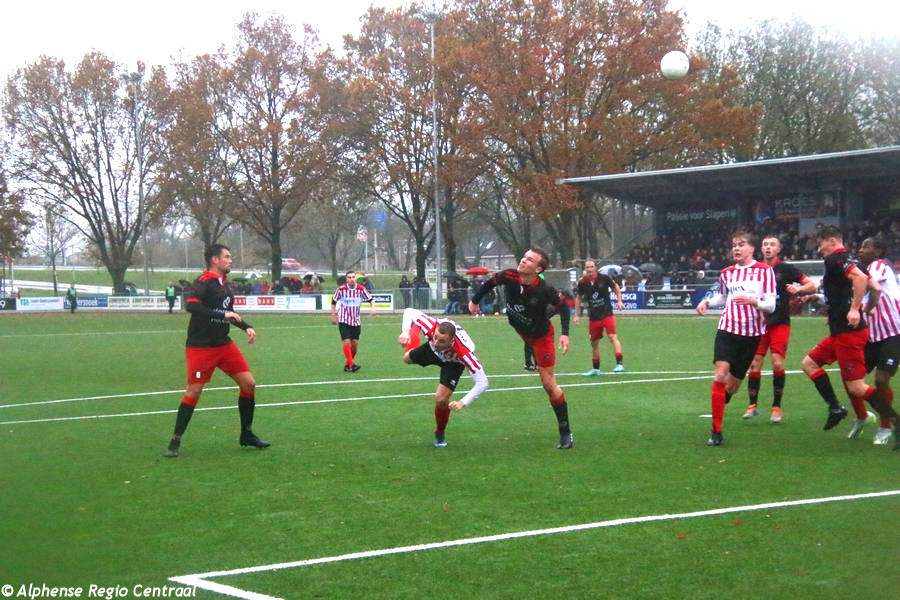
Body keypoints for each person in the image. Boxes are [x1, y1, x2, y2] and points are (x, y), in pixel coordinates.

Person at [163, 244, 269, 457]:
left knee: (249, 384)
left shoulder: (224, 284)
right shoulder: (203, 282)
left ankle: (246, 434)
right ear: (214, 259)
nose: (231, 260)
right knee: (194, 391)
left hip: (223, 344)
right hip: (201, 347)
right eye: (227, 257)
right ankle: (175, 440)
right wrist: (223, 315)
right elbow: (191, 306)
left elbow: (228, 312)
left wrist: (245, 326)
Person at [799, 225, 898, 448]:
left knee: (863, 384)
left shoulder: (846, 261)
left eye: (821, 244)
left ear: (832, 241)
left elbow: (863, 282)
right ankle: (840, 409)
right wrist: (860, 308)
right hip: (853, 331)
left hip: (871, 332)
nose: (819, 249)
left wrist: (855, 310)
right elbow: (872, 288)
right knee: (812, 365)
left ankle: (892, 423)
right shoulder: (854, 262)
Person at [469, 247, 574, 449]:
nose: (524, 260)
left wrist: (565, 334)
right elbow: (491, 282)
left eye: (530, 260)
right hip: (522, 330)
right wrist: (474, 301)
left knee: (549, 384)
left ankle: (565, 432)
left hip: (541, 336)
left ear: (538, 269)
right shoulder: (509, 275)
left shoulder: (545, 290)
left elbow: (563, 306)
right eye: (524, 257)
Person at [696, 230, 776, 447]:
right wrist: (706, 302)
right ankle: (716, 431)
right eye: (734, 245)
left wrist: (753, 302)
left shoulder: (764, 271)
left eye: (741, 245)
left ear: (752, 248)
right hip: (727, 329)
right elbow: (722, 297)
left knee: (732, 386)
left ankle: (722, 403)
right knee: (720, 374)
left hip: (751, 335)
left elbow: (771, 305)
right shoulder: (727, 273)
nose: (736, 249)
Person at [742, 236, 817, 422]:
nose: (768, 248)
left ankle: (776, 407)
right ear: (761, 249)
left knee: (777, 364)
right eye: (765, 244)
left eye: (772, 245)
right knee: (755, 364)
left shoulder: (786, 269)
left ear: (779, 249)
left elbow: (811, 285)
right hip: (759, 322)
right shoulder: (754, 269)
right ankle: (752, 406)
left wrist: (798, 290)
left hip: (780, 321)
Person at [398, 307, 489, 447]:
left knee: (441, 400)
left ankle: (439, 433)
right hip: (433, 353)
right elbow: (409, 311)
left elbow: (483, 382)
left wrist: (463, 402)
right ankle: (414, 330)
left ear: (451, 341)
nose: (436, 342)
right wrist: (405, 332)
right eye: (435, 337)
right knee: (406, 359)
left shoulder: (464, 353)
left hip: (453, 362)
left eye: (441, 341)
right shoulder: (431, 327)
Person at [853, 236, 900, 445]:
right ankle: (862, 416)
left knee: (881, 380)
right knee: (852, 377)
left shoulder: (879, 266)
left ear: (878, 251)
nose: (861, 249)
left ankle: (885, 427)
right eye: (861, 246)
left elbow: (868, 285)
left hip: (892, 333)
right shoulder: (863, 271)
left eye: (866, 246)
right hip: (871, 336)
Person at [574, 260, 625, 375]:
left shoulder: (604, 278)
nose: (590, 269)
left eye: (591, 266)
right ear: (585, 269)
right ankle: (596, 369)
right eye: (587, 267)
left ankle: (619, 364)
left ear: (595, 268)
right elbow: (578, 297)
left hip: (607, 314)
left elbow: (616, 287)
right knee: (594, 343)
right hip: (594, 317)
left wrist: (619, 301)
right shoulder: (582, 282)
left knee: (612, 336)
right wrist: (576, 315)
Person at [331, 270, 376, 372]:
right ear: (346, 279)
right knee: (346, 342)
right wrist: (333, 315)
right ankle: (352, 364)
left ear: (355, 278)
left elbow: (371, 300)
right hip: (343, 319)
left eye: (353, 277)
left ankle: (347, 365)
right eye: (349, 277)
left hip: (355, 321)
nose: (351, 279)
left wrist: (373, 308)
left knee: (354, 344)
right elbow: (333, 302)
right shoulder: (341, 289)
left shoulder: (361, 289)